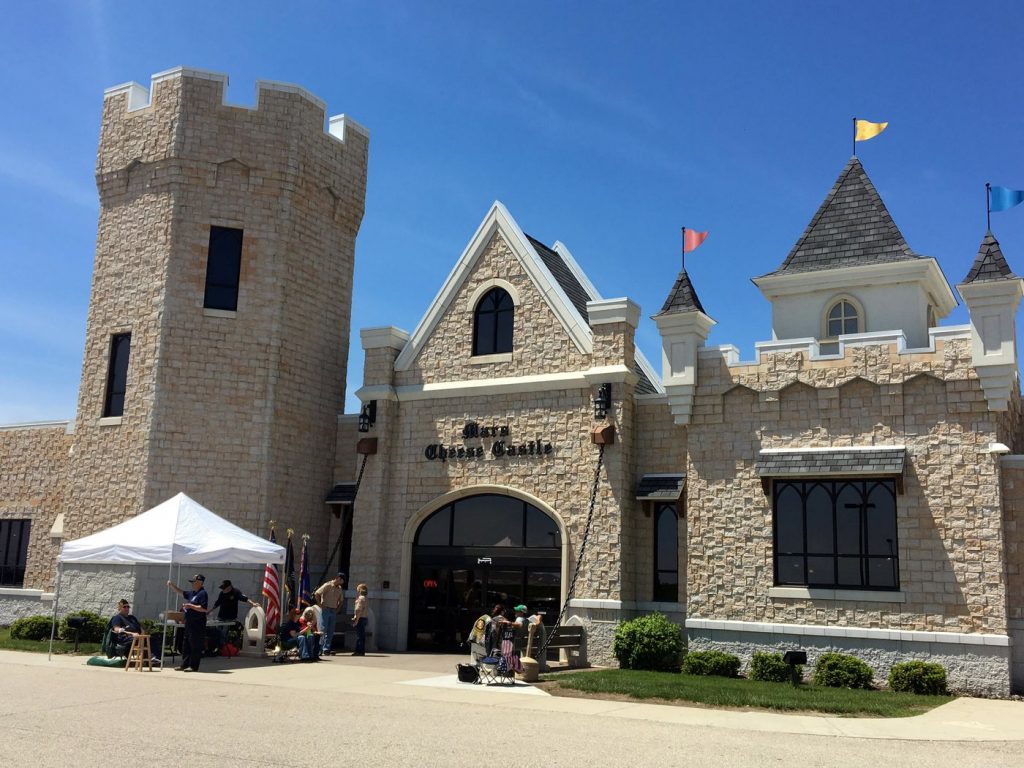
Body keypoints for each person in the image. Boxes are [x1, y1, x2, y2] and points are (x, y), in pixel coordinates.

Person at [167, 574, 209, 671]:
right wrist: (172, 585)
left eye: (193, 582)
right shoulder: (192, 593)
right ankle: (184, 664)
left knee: (195, 645)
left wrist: (191, 606)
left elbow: (203, 608)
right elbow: (181, 592)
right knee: (186, 644)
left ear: (200, 582)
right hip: (189, 623)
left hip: (197, 624)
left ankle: (193, 666)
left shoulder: (203, 593)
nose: (192, 584)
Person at [211, 579, 258, 646]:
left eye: (225, 588)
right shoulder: (222, 593)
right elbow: (218, 602)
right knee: (218, 631)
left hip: (230, 617)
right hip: (221, 616)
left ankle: (223, 646)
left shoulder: (235, 592)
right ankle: (217, 646)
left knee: (224, 632)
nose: (223, 590)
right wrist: (210, 610)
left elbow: (245, 598)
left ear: (229, 587)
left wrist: (253, 603)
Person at [313, 572, 346, 656]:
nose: (343, 582)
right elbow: (317, 593)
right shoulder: (327, 585)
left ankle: (326, 648)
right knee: (323, 629)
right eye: (342, 580)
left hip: (333, 610)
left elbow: (341, 600)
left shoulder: (339, 588)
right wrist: (320, 605)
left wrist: (338, 609)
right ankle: (319, 648)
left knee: (331, 630)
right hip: (326, 609)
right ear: (338, 578)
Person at [350, 583, 368, 656]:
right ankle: (362, 650)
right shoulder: (366, 598)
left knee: (359, 636)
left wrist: (356, 619)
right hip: (364, 618)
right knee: (362, 635)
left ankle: (359, 650)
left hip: (360, 618)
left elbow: (358, 610)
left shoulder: (360, 598)